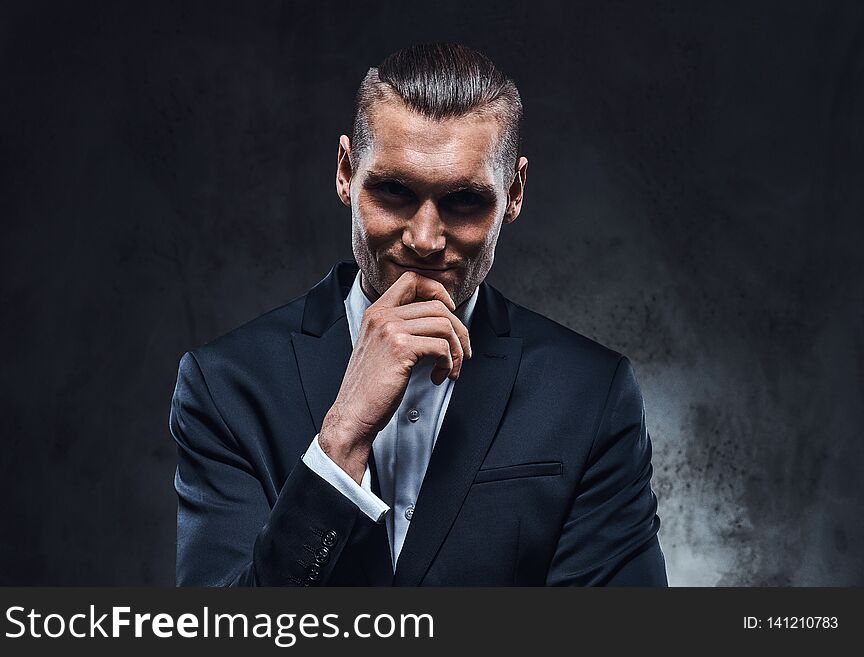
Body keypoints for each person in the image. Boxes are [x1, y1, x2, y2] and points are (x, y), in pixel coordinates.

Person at [169, 43, 668, 586]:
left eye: (464, 200)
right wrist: (341, 441)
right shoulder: (225, 384)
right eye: (394, 192)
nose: (425, 240)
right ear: (345, 173)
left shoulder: (590, 393)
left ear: (515, 193)